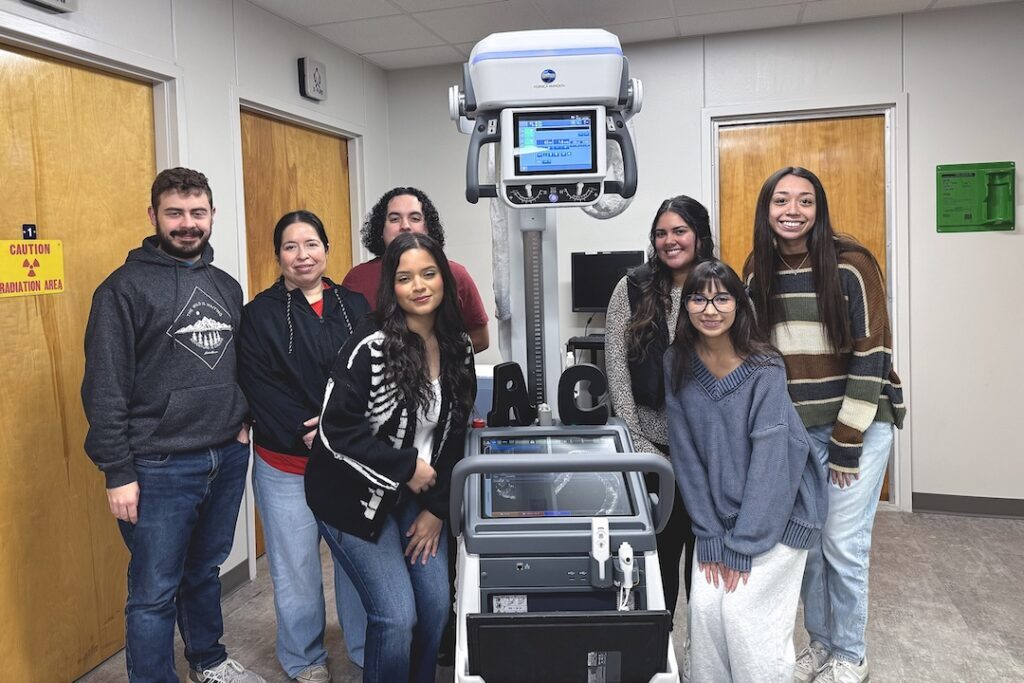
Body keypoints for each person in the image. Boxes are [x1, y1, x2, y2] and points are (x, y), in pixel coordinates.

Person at [81, 167, 264, 683]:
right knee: (154, 589)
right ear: (153, 216)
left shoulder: (225, 286)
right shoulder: (121, 290)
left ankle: (208, 661)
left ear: (212, 215)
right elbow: (104, 387)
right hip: (158, 465)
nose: (188, 224)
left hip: (225, 456)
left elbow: (241, 364)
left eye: (197, 213)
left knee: (203, 572)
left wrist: (243, 418)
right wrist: (118, 470)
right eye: (175, 213)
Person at [744, 167, 906, 683]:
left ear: (820, 209)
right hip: (797, 430)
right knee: (807, 543)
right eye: (781, 201)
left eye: (805, 201)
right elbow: (759, 357)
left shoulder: (852, 265)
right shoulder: (756, 271)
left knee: (842, 544)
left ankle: (851, 653)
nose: (793, 210)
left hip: (857, 423)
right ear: (766, 209)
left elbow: (873, 353)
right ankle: (820, 644)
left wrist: (846, 439)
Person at [305, 232, 476, 683]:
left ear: (444, 278)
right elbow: (335, 430)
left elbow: (456, 438)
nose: (419, 286)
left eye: (428, 274)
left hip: (417, 496)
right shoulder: (372, 345)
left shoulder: (458, 346)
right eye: (405, 278)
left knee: (437, 607)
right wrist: (407, 468)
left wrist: (439, 509)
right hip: (350, 498)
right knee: (396, 616)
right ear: (391, 287)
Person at [664, 259, 828, 682]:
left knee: (740, 615)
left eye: (722, 297)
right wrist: (710, 533)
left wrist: (745, 541)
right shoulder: (676, 362)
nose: (710, 308)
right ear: (686, 307)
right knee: (703, 611)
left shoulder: (765, 367)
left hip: (779, 514)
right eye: (698, 298)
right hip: (720, 518)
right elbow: (685, 455)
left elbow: (772, 465)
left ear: (739, 305)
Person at [237, 211, 370, 682]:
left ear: (327, 249)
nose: (302, 255)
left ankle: (364, 645)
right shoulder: (258, 314)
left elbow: (374, 375)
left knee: (357, 565)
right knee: (295, 571)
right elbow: (259, 384)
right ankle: (305, 659)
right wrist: (304, 428)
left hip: (351, 464)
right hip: (285, 463)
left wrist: (339, 428)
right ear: (278, 256)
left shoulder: (355, 305)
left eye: (311, 244)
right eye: (291, 247)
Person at [604, 195, 714, 618]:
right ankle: (657, 654)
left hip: (706, 454)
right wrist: (636, 442)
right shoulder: (631, 287)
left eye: (679, 231)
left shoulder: (721, 286)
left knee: (706, 570)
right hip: (653, 449)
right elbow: (616, 368)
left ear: (699, 236)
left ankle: (701, 659)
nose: (670, 241)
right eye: (661, 233)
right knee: (656, 566)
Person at [342, 186, 489, 352]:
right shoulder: (357, 278)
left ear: (427, 228)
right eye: (394, 219)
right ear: (380, 230)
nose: (405, 226)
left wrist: (427, 360)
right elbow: (347, 341)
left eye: (415, 218)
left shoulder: (455, 274)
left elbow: (480, 338)